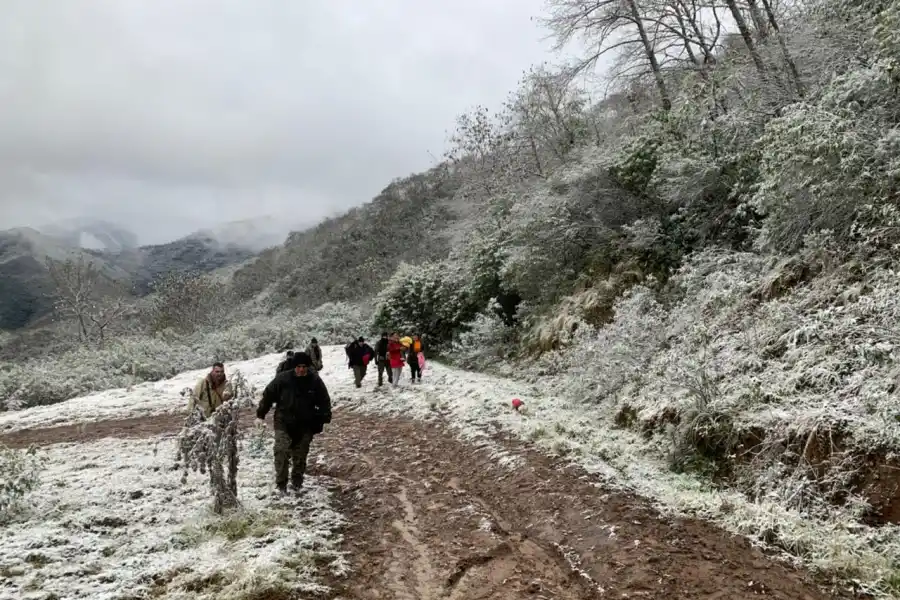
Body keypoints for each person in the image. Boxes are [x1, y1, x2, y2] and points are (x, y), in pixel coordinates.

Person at [257, 352, 332, 495]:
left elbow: (324, 400)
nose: (301, 369)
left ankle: (297, 483)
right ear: (294, 367)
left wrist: (326, 419)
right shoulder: (282, 379)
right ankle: (281, 484)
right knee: (281, 450)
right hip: (283, 421)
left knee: (300, 455)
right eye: (298, 366)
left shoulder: (315, 380)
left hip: (305, 424)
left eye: (304, 367)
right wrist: (260, 415)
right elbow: (268, 395)